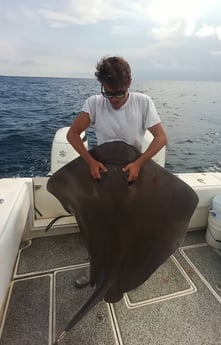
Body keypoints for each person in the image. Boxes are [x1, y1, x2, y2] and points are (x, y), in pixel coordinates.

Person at [67, 56, 168, 287]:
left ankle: (127, 269)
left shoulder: (143, 102)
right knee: (97, 226)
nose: (113, 100)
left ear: (129, 83)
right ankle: (94, 267)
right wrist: (91, 161)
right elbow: (72, 135)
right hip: (102, 174)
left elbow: (161, 138)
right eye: (108, 93)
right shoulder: (93, 103)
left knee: (129, 226)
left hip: (132, 173)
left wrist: (139, 163)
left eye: (119, 94)